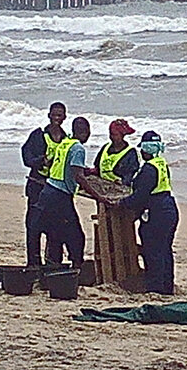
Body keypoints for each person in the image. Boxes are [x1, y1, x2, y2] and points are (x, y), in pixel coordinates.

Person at [33, 117, 107, 269]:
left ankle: (52, 267)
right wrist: (98, 196)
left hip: (48, 192)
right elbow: (78, 176)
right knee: (76, 236)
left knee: (55, 234)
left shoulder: (64, 143)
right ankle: (76, 267)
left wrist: (86, 170)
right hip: (60, 196)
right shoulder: (78, 148)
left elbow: (64, 164)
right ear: (84, 132)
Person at [120, 130, 179, 295]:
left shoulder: (148, 169)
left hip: (156, 211)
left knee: (153, 250)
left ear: (146, 149)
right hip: (169, 208)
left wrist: (123, 203)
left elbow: (141, 195)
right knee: (165, 249)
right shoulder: (162, 164)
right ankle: (167, 286)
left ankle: (155, 287)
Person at [21, 102, 68, 267]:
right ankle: (33, 264)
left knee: (55, 230)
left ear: (64, 117)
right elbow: (26, 158)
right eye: (54, 115)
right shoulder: (38, 136)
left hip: (56, 191)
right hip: (37, 187)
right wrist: (42, 161)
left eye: (60, 115)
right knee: (33, 228)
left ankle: (52, 264)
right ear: (49, 115)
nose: (57, 118)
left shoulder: (66, 140)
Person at [93, 119, 140, 185]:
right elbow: (97, 166)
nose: (112, 137)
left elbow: (131, 174)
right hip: (102, 183)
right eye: (111, 134)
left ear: (122, 135)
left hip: (120, 186)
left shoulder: (131, 153)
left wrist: (123, 182)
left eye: (115, 135)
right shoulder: (105, 148)